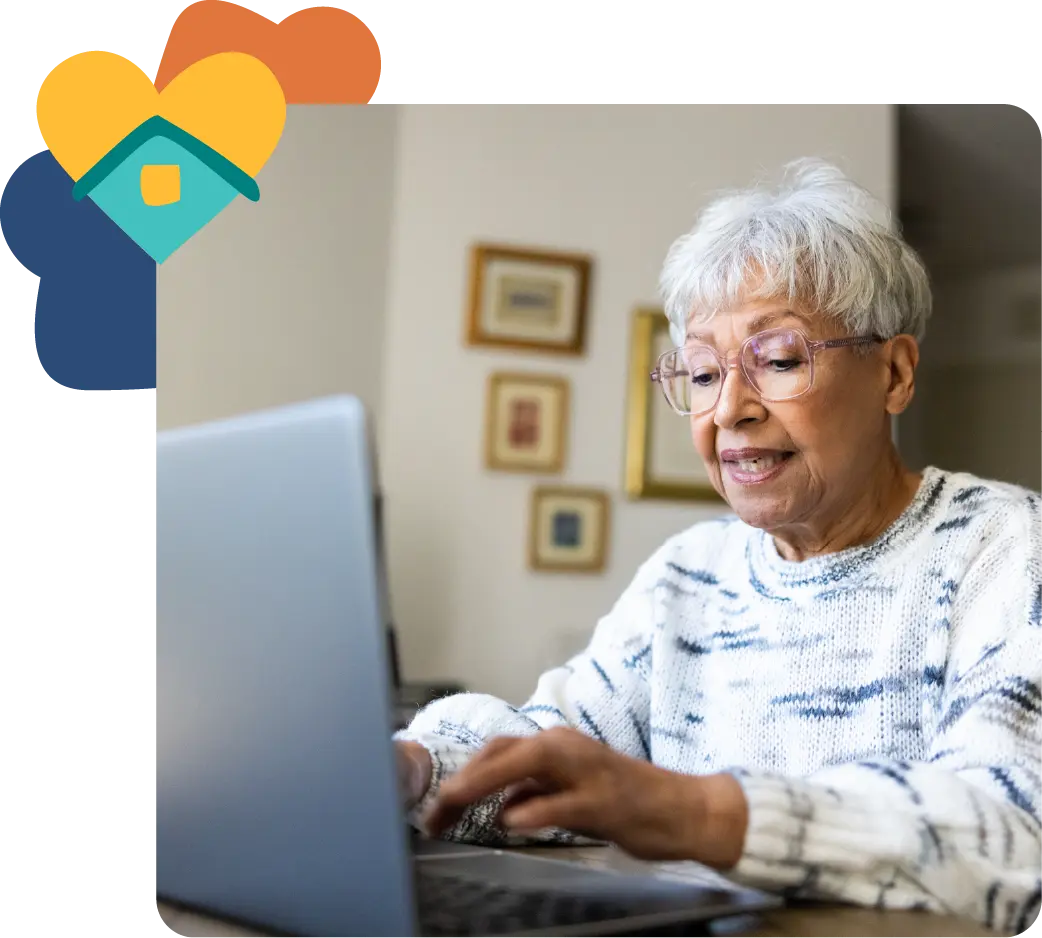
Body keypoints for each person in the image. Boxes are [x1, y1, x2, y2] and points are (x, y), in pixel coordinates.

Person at [394, 159, 1042, 934]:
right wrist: (415, 767)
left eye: (778, 361)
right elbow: (551, 746)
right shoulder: (689, 573)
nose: (729, 408)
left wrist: (703, 812)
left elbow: (1008, 834)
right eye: (702, 372)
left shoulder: (1006, 549)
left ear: (895, 373)